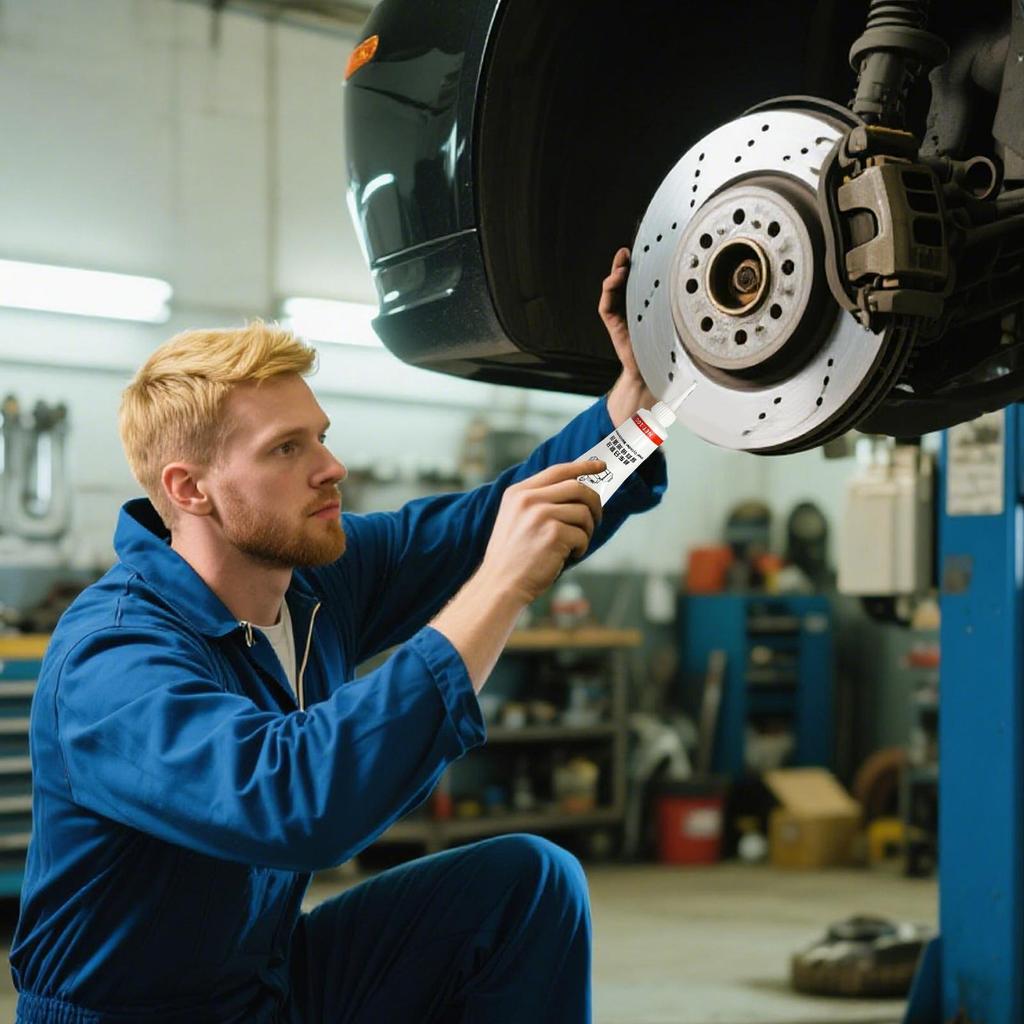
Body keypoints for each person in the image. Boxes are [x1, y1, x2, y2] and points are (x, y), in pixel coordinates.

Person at [10, 249, 665, 1024]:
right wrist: (500, 587)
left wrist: (635, 415)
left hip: (260, 987)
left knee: (527, 885)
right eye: (287, 449)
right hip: (130, 1016)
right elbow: (296, 800)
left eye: (319, 437)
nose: (330, 467)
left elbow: (508, 516)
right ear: (190, 489)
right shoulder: (112, 660)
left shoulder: (317, 577)